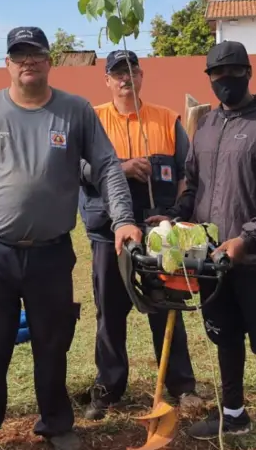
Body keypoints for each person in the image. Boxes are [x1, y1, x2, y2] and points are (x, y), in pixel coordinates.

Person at [0, 27, 143, 450]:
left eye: (35, 53)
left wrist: (123, 218)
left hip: (52, 253)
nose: (27, 61)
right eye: (19, 55)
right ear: (8, 63)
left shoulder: (75, 111)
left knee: (53, 344)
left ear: (50, 60)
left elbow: (108, 166)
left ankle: (56, 422)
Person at [149, 40, 256, 450]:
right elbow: (193, 186)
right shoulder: (207, 126)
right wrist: (176, 216)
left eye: (233, 72)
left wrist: (245, 239)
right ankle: (234, 413)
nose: (225, 81)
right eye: (217, 74)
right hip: (211, 263)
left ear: (248, 72)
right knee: (225, 338)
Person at [78, 50, 202, 420]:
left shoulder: (166, 119)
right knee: (110, 310)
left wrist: (177, 213)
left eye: (131, 71)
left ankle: (182, 386)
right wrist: (121, 167)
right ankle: (109, 387)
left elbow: (186, 171)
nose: (125, 79)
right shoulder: (93, 119)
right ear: (106, 80)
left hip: (157, 231)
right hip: (107, 232)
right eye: (117, 73)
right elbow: (79, 167)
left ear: (141, 76)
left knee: (166, 304)